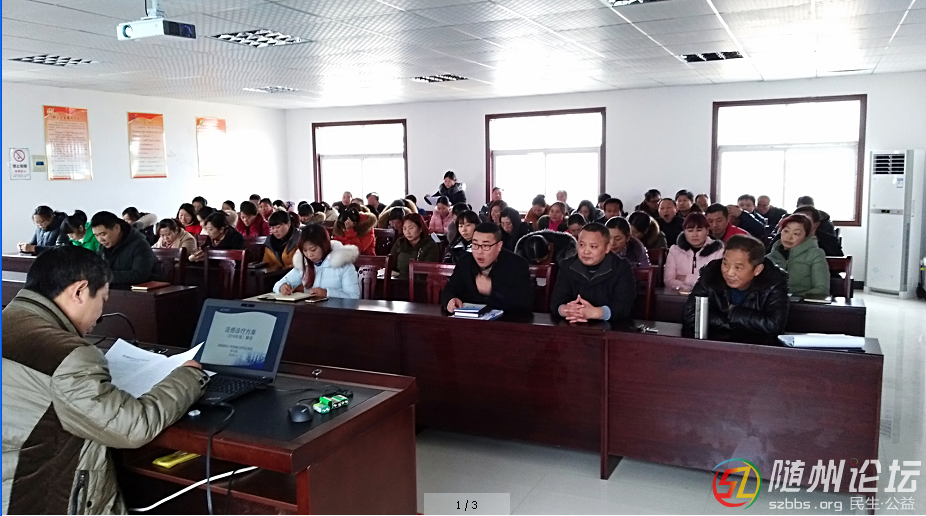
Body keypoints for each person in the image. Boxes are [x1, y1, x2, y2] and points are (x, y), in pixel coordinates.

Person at [1, 245, 207, 515]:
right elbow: (130, 427)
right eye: (103, 299)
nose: (100, 315)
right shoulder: (67, 355)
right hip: (37, 499)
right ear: (79, 291)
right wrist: (189, 376)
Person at [683, 234, 789, 336]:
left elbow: (774, 325)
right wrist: (732, 321)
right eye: (725, 264)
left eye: (738, 267)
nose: (729, 273)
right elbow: (690, 315)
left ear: (757, 270)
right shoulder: (711, 273)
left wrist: (733, 311)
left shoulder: (774, 282)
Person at [440, 222, 534, 314]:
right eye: (475, 245)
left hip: (505, 321)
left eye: (485, 246)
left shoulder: (517, 264)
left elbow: (526, 301)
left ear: (499, 246)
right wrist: (450, 300)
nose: (479, 251)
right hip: (470, 321)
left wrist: (493, 289)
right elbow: (449, 290)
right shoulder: (465, 262)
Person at [550, 222, 636, 323]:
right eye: (581, 245)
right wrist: (566, 310)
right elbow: (556, 300)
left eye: (593, 246)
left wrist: (597, 313)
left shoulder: (621, 267)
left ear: (607, 248)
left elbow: (625, 305)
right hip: (572, 324)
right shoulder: (567, 266)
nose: (586, 251)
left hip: (611, 327)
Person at [270, 224, 359, 299]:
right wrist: (282, 287)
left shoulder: (343, 265)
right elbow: (278, 284)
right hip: (311, 311)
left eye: (313, 250)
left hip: (336, 312)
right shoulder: (304, 263)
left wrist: (327, 293)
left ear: (324, 245)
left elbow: (354, 297)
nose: (309, 255)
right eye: (305, 250)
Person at [90, 211, 161, 286]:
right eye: (96, 235)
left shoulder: (140, 245)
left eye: (103, 234)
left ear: (117, 228)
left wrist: (105, 277)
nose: (100, 239)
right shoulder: (103, 247)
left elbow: (139, 275)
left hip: (140, 291)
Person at [767, 214, 829, 296]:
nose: (789, 237)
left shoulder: (815, 254)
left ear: (806, 236)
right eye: (786, 231)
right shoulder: (769, 257)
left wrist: (793, 298)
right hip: (773, 302)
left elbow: (821, 289)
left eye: (796, 234)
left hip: (803, 302)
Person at [663, 213, 724, 290]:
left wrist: (687, 278)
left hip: (707, 296)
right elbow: (668, 281)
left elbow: (714, 282)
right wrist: (688, 289)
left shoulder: (718, 251)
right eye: (690, 231)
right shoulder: (674, 251)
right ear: (684, 231)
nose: (694, 235)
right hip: (679, 295)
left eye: (699, 230)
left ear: (707, 231)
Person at [390, 213, 440, 278]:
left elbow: (428, 271)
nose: (407, 232)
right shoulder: (400, 242)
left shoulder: (430, 246)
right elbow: (390, 263)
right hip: (398, 279)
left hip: (419, 281)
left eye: (411, 228)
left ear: (420, 229)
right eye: (404, 228)